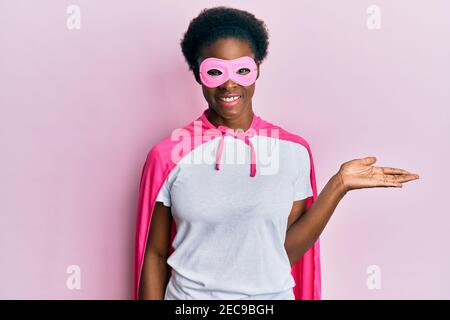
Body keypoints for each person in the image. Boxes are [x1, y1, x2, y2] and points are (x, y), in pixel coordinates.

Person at [135, 6, 419, 300]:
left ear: (257, 69)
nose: (229, 83)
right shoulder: (168, 156)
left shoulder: (292, 151)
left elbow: (283, 253)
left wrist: (339, 185)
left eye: (242, 70)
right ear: (198, 74)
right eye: (215, 71)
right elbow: (154, 255)